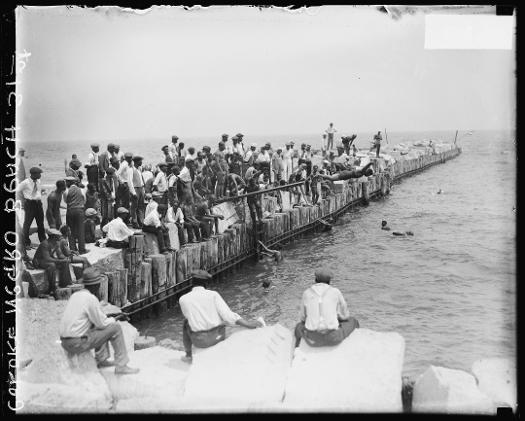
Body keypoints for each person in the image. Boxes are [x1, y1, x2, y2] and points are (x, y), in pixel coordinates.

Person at [59, 267, 140, 375]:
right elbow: (102, 323)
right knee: (115, 328)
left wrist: (111, 317)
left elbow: (97, 320)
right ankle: (122, 365)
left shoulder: (75, 296)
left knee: (98, 325)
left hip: (65, 342)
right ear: (96, 285)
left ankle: (102, 360)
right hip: (77, 343)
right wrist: (116, 318)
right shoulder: (90, 298)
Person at [179, 270, 264, 363]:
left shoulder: (183, 299)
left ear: (192, 282)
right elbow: (228, 316)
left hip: (200, 342)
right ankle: (256, 324)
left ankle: (188, 355)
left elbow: (190, 318)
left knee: (186, 323)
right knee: (227, 320)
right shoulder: (213, 294)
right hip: (218, 338)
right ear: (206, 283)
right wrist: (248, 324)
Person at [294, 268, 359, 348]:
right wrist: (337, 318)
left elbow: (302, 318)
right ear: (329, 281)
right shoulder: (336, 292)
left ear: (315, 280)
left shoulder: (306, 293)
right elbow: (345, 315)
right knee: (353, 321)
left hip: (313, 338)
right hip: (333, 338)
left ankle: (297, 347)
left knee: (298, 326)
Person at [17, 166, 46, 248]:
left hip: (38, 204)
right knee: (27, 224)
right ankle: (26, 243)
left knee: (40, 223)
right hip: (30, 204)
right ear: (34, 174)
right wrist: (23, 200)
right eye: (39, 173)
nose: (40, 175)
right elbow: (17, 190)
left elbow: (37, 190)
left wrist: (42, 192)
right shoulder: (25, 182)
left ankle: (43, 241)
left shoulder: (38, 181)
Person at [64, 176, 88, 254]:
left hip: (70, 210)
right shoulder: (81, 190)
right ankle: (82, 249)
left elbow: (65, 201)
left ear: (68, 182)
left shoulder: (66, 191)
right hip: (80, 211)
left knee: (70, 230)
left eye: (66, 182)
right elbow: (84, 200)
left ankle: (73, 249)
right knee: (81, 230)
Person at [130, 155, 146, 228]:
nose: (141, 162)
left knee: (140, 206)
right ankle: (134, 222)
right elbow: (130, 182)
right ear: (136, 162)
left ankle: (141, 221)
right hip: (135, 188)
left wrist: (143, 190)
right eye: (140, 161)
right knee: (134, 207)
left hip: (140, 188)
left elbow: (142, 181)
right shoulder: (131, 170)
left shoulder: (139, 169)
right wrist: (133, 192)